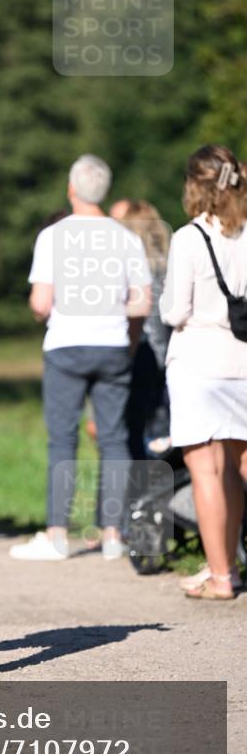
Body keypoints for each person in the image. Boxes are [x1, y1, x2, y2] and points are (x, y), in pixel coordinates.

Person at [9, 154, 152, 563]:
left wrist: (45, 314)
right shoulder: (126, 237)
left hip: (66, 347)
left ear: (71, 189)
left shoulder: (53, 236)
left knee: (63, 439)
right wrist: (129, 342)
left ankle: (57, 534)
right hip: (113, 346)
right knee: (114, 439)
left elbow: (40, 302)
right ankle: (112, 534)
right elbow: (141, 302)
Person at [159, 145, 247, 600]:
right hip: (244, 362)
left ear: (194, 184)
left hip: (198, 363)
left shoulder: (189, 238)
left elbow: (174, 311)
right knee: (237, 468)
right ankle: (227, 565)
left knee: (206, 472)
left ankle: (220, 576)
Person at [109, 200, 172, 457]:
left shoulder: (130, 268)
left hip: (142, 359)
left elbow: (149, 326)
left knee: (135, 438)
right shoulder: (171, 265)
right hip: (172, 364)